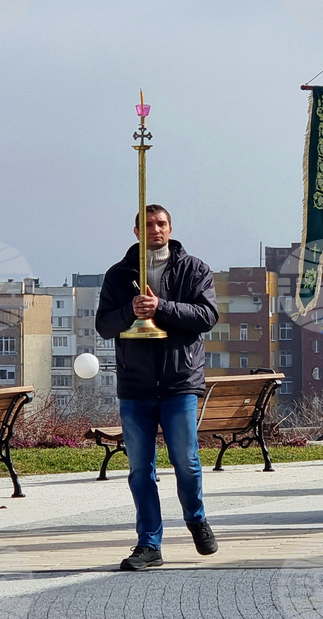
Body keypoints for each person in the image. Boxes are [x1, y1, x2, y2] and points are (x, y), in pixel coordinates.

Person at [96, 204, 219, 570]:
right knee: (140, 469)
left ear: (171, 228)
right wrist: (130, 311)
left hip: (179, 381)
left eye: (161, 223)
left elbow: (207, 316)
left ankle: (196, 519)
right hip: (135, 385)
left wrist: (160, 307)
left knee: (186, 461)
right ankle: (149, 543)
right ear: (136, 231)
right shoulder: (119, 274)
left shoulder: (194, 269)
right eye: (148, 224)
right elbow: (104, 325)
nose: (156, 229)